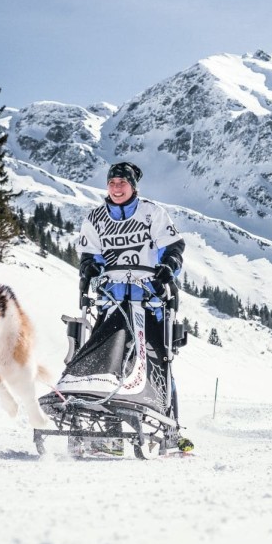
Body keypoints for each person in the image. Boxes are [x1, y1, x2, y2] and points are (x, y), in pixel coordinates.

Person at [58, 160, 186, 396]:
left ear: (133, 186)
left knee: (158, 356)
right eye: (112, 183)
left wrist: (168, 267)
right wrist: (90, 268)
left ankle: (162, 401)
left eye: (122, 182)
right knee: (103, 347)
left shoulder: (151, 213)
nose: (117, 188)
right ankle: (90, 389)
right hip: (112, 299)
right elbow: (90, 255)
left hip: (148, 299)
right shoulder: (95, 219)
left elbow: (173, 248)